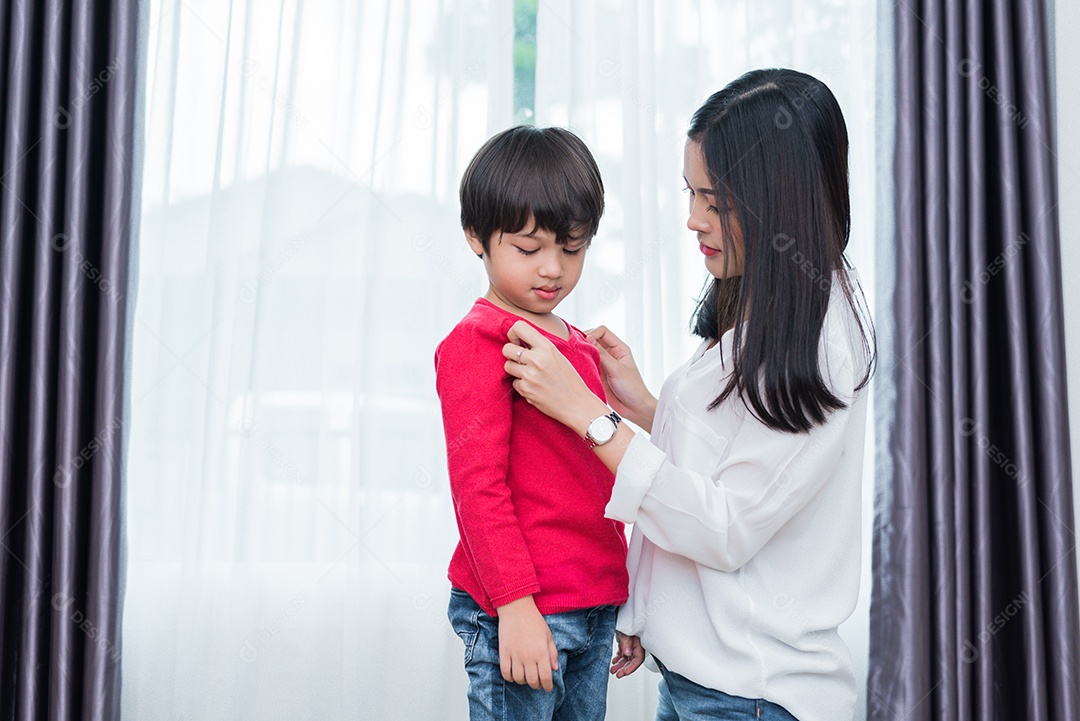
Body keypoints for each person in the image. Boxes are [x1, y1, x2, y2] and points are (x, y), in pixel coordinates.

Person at [502, 69, 876, 721]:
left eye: (717, 201)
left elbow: (725, 525)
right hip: (713, 686)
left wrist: (592, 417)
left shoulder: (823, 345)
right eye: (691, 192)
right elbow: (740, 460)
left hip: (753, 697)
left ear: (776, 201)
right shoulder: (776, 304)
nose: (693, 219)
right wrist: (648, 405)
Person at [435, 125, 629, 721]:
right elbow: (478, 490)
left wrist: (624, 602)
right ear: (476, 236)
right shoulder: (478, 342)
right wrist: (513, 606)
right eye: (528, 248)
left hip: (591, 602)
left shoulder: (579, 345)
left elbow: (602, 484)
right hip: (519, 609)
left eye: (572, 249)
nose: (553, 269)